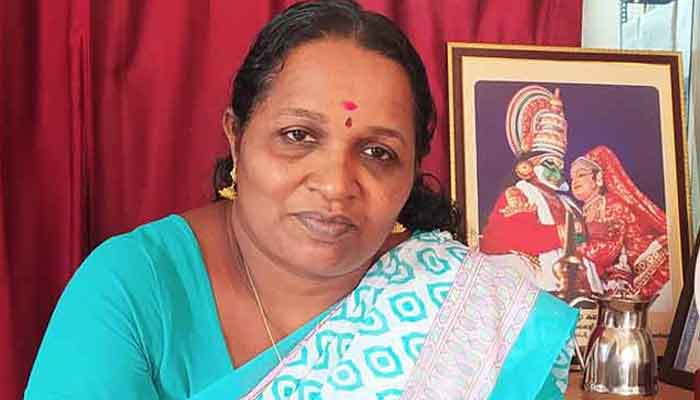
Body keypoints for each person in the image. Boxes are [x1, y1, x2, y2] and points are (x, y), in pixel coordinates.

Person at [25, 1, 577, 398]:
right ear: (236, 137)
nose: (336, 185)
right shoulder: (134, 286)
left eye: (378, 153)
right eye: (298, 136)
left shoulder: (466, 313)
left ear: (412, 173)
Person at [479, 85, 602, 296]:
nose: (558, 171)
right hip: (538, 286)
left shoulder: (568, 203)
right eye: (550, 163)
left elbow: (582, 241)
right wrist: (572, 232)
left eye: (560, 165)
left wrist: (587, 236)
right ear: (527, 167)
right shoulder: (518, 194)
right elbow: (513, 237)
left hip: (577, 282)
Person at [570, 145, 669, 298]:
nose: (574, 181)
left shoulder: (612, 204)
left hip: (650, 269)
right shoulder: (584, 210)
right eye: (572, 178)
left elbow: (608, 251)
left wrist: (575, 239)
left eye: (581, 174)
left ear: (598, 178)